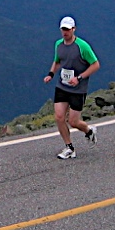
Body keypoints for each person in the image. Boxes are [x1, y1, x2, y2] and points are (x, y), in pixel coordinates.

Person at [44, 16, 100, 158]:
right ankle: (69, 148)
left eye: (68, 29)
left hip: (78, 89)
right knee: (59, 116)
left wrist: (79, 77)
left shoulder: (83, 46)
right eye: (63, 29)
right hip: (62, 86)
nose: (65, 32)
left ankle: (88, 130)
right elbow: (57, 61)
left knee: (73, 122)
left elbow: (95, 65)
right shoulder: (58, 45)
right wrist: (51, 74)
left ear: (74, 29)